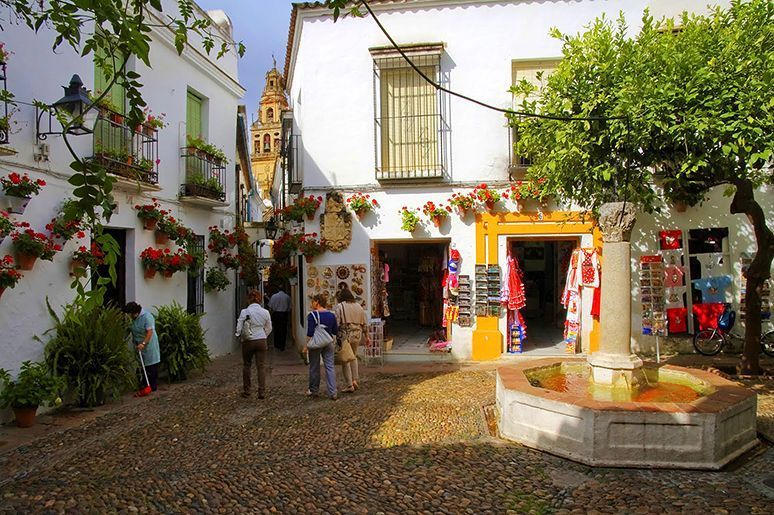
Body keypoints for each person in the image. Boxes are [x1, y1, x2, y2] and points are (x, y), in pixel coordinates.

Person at [235, 289, 273, 399]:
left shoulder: (244, 312)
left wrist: (238, 335)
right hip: (261, 340)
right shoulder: (265, 312)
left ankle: (247, 391)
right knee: (261, 366)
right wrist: (263, 335)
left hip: (248, 341)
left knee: (247, 365)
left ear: (248, 300)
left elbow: (239, 325)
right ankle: (262, 392)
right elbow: (269, 327)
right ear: (260, 299)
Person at [333, 287, 369, 393]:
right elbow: (364, 323)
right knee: (354, 356)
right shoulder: (359, 306)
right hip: (357, 334)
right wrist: (366, 336)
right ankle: (355, 379)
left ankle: (349, 385)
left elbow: (337, 322)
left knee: (346, 359)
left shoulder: (340, 306)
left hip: (345, 335)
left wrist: (334, 334)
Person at [123, 302, 160, 397]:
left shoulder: (147, 317)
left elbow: (149, 332)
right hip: (138, 346)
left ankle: (151, 386)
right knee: (141, 366)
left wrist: (143, 343)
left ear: (134, 312)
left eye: (130, 314)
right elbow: (129, 329)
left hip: (148, 345)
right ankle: (142, 385)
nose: (129, 316)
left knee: (151, 366)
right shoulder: (133, 319)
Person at [305, 294, 338, 400]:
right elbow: (335, 331)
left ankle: (314, 390)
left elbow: (310, 333)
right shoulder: (331, 315)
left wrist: (306, 345)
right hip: (328, 343)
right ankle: (333, 392)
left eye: (313, 301)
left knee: (314, 367)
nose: (311, 303)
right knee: (330, 367)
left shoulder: (312, 315)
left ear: (317, 302)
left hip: (315, 344)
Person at [268, 286, 291, 351]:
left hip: (276, 314)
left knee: (276, 329)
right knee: (283, 330)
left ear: (277, 289)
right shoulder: (287, 297)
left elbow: (270, 306)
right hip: (284, 314)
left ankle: (276, 344)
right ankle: (282, 345)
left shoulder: (274, 296)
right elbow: (290, 307)